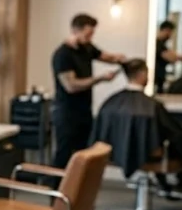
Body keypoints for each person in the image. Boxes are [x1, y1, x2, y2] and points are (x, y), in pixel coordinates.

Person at [93, 59, 182, 189]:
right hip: (148, 154)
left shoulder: (110, 103)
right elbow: (175, 133)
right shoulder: (152, 105)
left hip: (113, 153)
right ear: (142, 74)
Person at [51, 13, 126, 168]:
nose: (90, 37)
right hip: (66, 114)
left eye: (92, 34)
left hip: (84, 111)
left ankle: (78, 190)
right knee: (64, 154)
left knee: (84, 153)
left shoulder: (87, 47)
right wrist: (101, 79)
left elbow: (106, 56)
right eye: (88, 34)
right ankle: (56, 190)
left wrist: (120, 59)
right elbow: (71, 86)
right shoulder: (62, 55)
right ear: (75, 30)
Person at [155, 20, 182, 93]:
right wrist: (180, 57)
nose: (171, 35)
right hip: (156, 80)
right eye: (170, 32)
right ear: (166, 30)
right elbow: (171, 58)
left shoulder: (162, 45)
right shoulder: (157, 44)